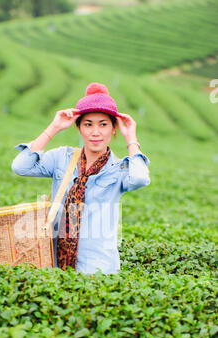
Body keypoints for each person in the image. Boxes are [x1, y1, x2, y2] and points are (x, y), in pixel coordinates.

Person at [11, 82, 151, 275]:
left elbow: (140, 179)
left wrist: (131, 139)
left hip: (98, 268)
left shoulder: (118, 169)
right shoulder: (62, 158)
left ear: (113, 129)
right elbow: (21, 166)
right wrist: (53, 128)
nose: (95, 132)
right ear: (79, 128)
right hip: (55, 265)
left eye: (103, 124)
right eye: (88, 124)